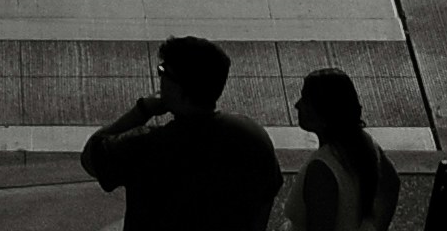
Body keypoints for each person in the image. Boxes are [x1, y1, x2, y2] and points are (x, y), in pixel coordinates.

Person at [80, 35, 280, 231]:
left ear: (176, 87)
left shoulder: (146, 145)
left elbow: (91, 157)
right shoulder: (252, 136)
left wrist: (142, 110)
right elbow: (266, 198)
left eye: (163, 72)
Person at [282, 69, 398, 231]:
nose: (297, 105)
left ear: (323, 112)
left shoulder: (322, 168)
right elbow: (392, 186)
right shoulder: (366, 145)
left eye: (306, 100)